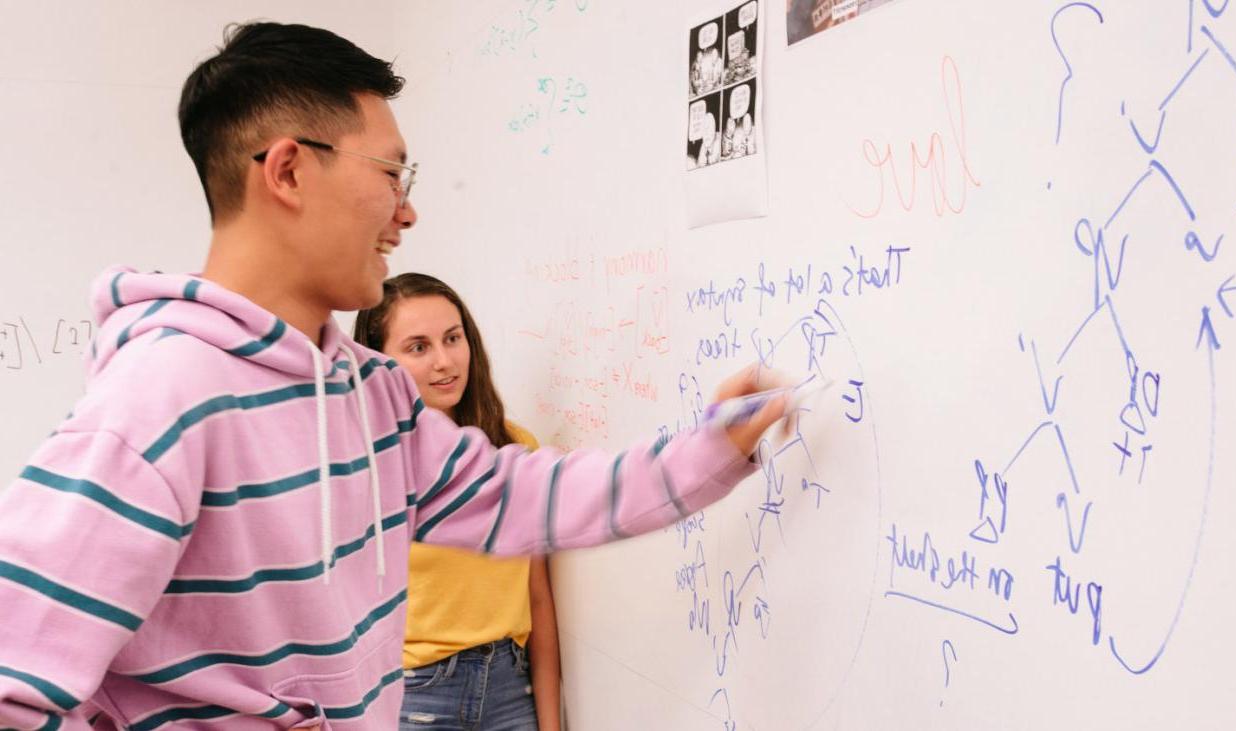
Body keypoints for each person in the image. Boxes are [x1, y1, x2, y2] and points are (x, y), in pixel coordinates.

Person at [0, 22, 785, 729]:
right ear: (287, 172)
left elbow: (526, 494)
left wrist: (710, 450)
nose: (406, 213)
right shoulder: (158, 397)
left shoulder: (374, 396)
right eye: (392, 174)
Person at [353, 274, 561, 731]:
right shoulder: (364, 466)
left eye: (452, 338)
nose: (445, 362)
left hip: (512, 690)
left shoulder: (513, 447)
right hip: (412, 696)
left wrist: (551, 723)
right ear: (379, 361)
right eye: (418, 347)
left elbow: (539, 600)